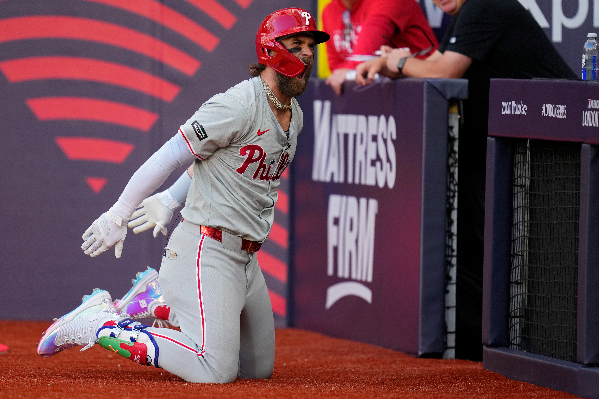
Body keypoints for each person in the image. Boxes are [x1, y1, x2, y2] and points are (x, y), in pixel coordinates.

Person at [37, 7, 330, 383]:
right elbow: (172, 154)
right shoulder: (238, 104)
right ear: (271, 50)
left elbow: (222, 165)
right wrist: (118, 214)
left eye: (311, 45)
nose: (307, 52)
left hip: (246, 256)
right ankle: (101, 324)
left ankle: (161, 300)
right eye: (297, 43)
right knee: (214, 368)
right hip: (208, 249)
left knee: (257, 371)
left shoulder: (296, 114)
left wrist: (170, 199)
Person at [355, 0, 577, 360]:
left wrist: (396, 60)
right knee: (488, 251)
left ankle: (543, 349)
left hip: (555, 155)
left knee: (538, 256)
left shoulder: (484, 5)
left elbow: (444, 71)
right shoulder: (463, 16)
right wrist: (397, 64)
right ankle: (494, 347)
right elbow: (431, 67)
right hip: (502, 153)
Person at [322, 0, 438, 95]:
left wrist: (348, 71)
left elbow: (363, 56)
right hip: (385, 90)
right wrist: (346, 71)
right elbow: (337, 67)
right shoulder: (330, 11)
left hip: (427, 83)